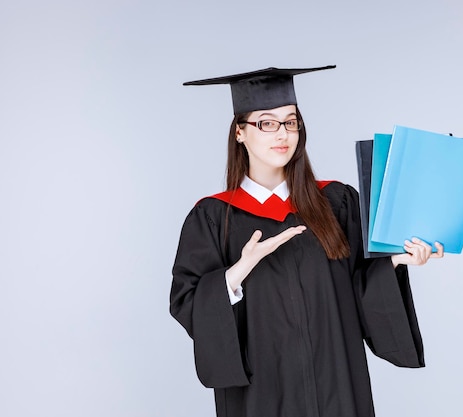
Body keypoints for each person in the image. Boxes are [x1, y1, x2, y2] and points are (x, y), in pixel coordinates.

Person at [169, 65, 444, 417]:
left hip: (335, 385)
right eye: (267, 123)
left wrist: (395, 263)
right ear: (240, 132)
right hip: (262, 394)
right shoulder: (213, 217)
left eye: (290, 121)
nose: (282, 133)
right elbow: (188, 302)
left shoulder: (336, 202)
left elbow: (359, 284)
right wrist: (239, 270)